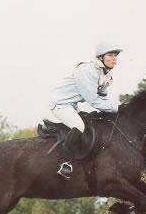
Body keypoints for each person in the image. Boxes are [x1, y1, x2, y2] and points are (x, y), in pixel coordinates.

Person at [49, 42, 123, 179]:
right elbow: (93, 101)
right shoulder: (88, 70)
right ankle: (64, 163)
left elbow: (104, 98)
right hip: (60, 103)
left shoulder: (105, 73)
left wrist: (118, 108)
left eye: (116, 56)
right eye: (111, 55)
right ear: (101, 57)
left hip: (72, 106)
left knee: (93, 123)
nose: (114, 59)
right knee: (79, 126)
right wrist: (117, 108)